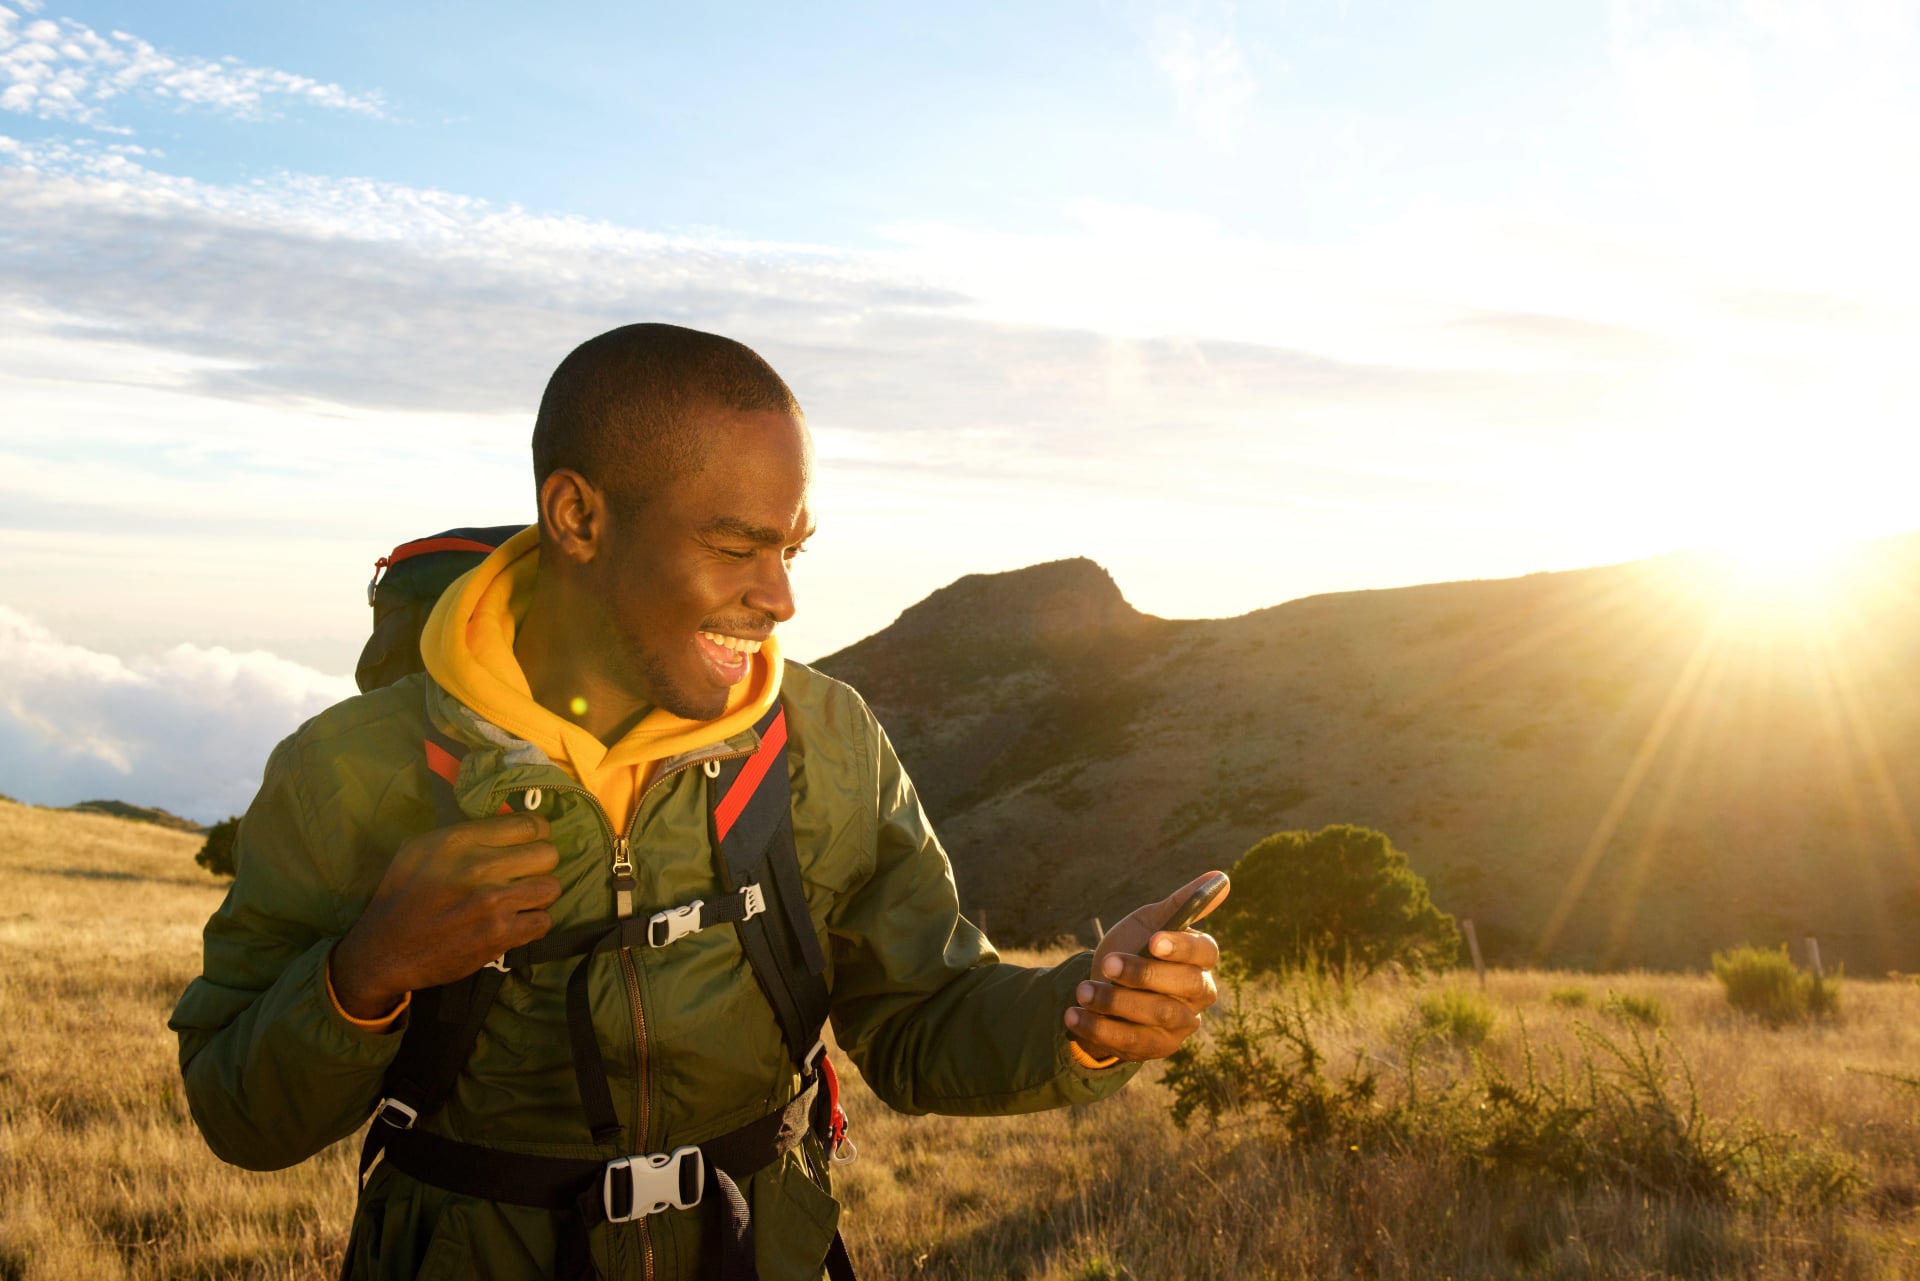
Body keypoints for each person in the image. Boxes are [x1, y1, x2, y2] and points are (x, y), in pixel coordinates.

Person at [170, 323, 1223, 1281]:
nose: (781, 597)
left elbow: (920, 1017)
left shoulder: (827, 741)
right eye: (735, 547)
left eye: (790, 546)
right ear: (577, 516)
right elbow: (238, 1114)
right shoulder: (350, 769)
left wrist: (1080, 1016)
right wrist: (367, 976)